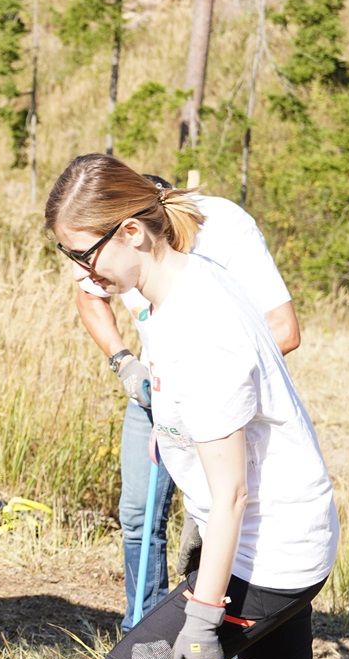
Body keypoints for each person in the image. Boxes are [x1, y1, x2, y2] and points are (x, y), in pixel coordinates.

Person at [46, 155, 345, 659]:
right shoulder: (179, 288)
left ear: (132, 234)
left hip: (266, 554)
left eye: (85, 255)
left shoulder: (199, 326)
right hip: (287, 536)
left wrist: (205, 619)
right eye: (66, 257)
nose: (83, 276)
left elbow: (233, 491)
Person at [72, 173, 298, 631]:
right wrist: (125, 363)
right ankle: (146, 634)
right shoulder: (116, 249)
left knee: (228, 520)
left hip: (220, 403)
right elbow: (86, 295)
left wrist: (204, 386)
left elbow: (285, 331)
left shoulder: (226, 231)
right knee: (138, 516)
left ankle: (236, 651)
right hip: (154, 395)